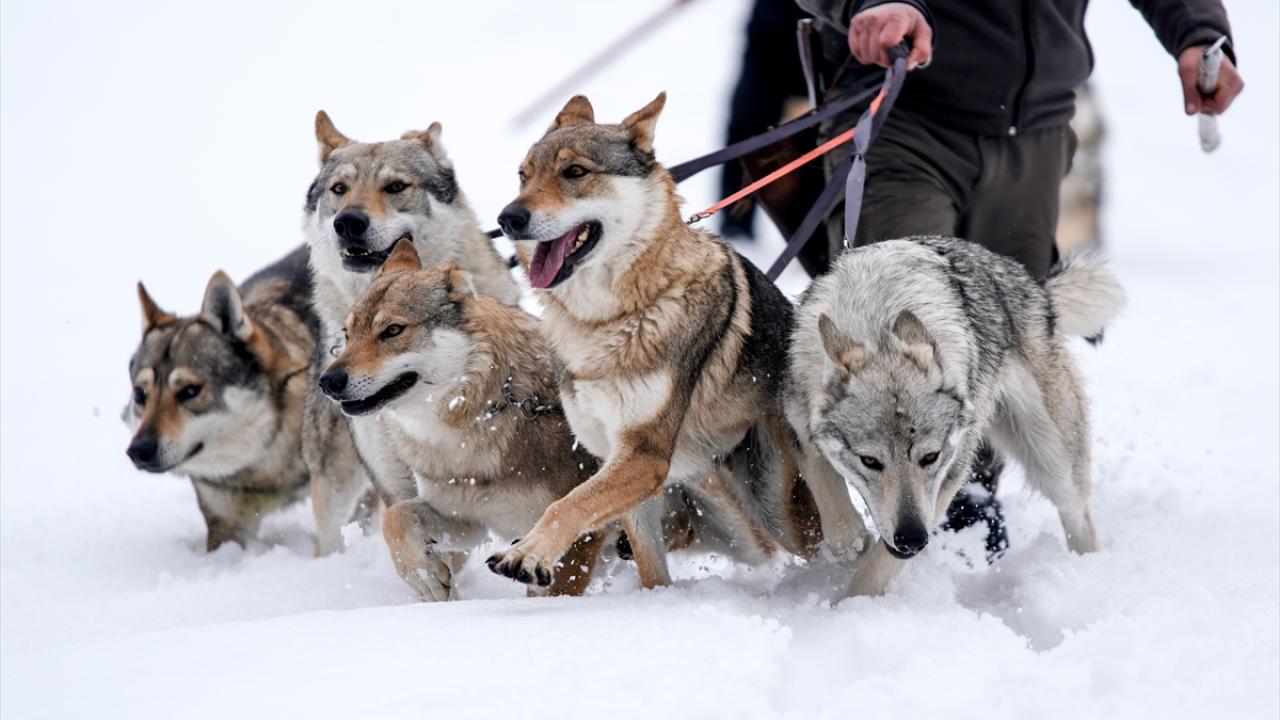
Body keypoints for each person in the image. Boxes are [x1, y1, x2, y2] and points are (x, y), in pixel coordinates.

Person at [795, 0, 1243, 558]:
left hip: (1036, 129)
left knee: (1004, 341)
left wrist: (1198, 31)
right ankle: (903, 532)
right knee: (905, 335)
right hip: (903, 113)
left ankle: (972, 499)